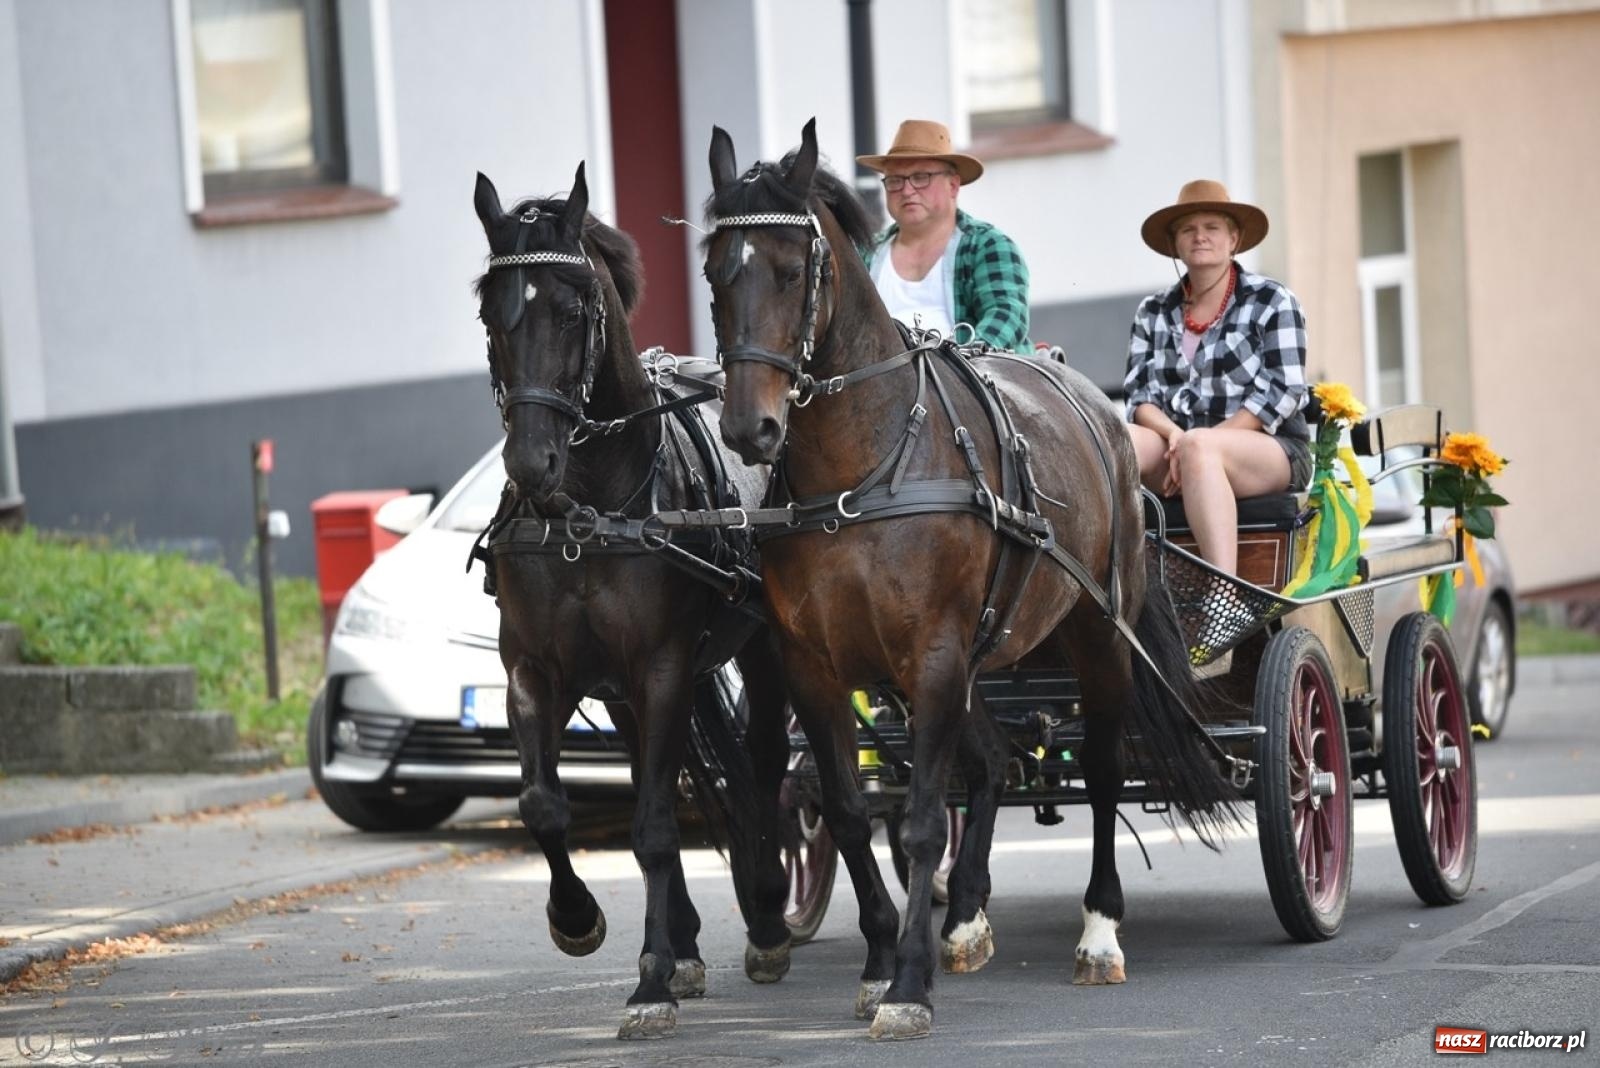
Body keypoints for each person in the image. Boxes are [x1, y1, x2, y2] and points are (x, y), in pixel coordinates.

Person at [1123, 180, 1312, 578]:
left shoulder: (1272, 301)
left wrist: (1203, 444)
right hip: (1178, 443)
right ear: (1175, 243)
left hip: (1269, 449)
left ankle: (1223, 588)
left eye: (1211, 227)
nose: (1200, 237)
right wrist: (1175, 439)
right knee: (1116, 442)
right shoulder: (1152, 311)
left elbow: (1284, 390)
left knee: (1201, 448)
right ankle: (1108, 583)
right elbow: (1138, 397)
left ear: (1234, 238)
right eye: (1188, 229)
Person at [856, 119, 1031, 351]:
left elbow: (1007, 315)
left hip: (976, 380)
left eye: (921, 177)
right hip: (886, 384)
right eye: (895, 181)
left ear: (953, 186)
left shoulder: (987, 245)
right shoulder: (865, 253)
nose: (907, 190)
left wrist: (968, 360)